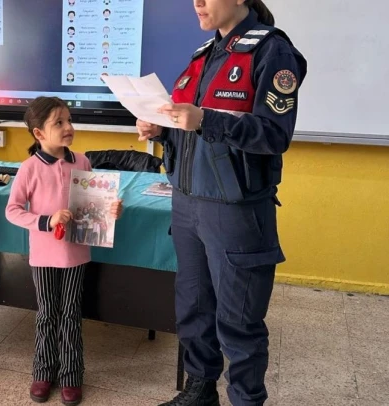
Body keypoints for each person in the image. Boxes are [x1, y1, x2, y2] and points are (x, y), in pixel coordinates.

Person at [136, 1, 307, 405]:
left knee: (239, 321)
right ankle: (199, 391)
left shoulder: (272, 51)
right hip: (187, 202)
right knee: (194, 308)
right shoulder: (203, 55)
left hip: (235, 210)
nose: (197, 2)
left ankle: (246, 399)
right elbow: (191, 131)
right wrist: (162, 129)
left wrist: (205, 119)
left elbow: (274, 134)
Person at [5, 97, 122, 405]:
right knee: (47, 314)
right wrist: (47, 220)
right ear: (38, 133)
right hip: (43, 256)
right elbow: (13, 210)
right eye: (59, 122)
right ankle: (43, 372)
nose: (68, 127)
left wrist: (111, 211)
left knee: (71, 314)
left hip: (76, 256)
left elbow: (92, 209)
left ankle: (71, 375)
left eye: (69, 120)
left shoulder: (82, 162)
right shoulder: (29, 168)